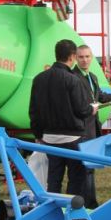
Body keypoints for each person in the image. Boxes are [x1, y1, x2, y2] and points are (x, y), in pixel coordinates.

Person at [29, 39, 97, 196]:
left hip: (49, 138)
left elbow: (34, 111)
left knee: (53, 179)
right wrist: (91, 109)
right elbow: (81, 110)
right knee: (76, 179)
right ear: (72, 56)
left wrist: (38, 135)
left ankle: (53, 212)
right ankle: (71, 211)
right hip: (72, 138)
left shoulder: (39, 79)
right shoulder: (73, 79)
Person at [74, 44, 111, 208]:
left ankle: (91, 202)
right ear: (76, 58)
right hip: (80, 129)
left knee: (90, 167)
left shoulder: (92, 77)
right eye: (81, 57)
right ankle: (84, 204)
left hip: (92, 128)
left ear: (91, 58)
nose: (84, 60)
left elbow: (101, 96)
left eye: (87, 56)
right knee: (82, 170)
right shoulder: (74, 77)